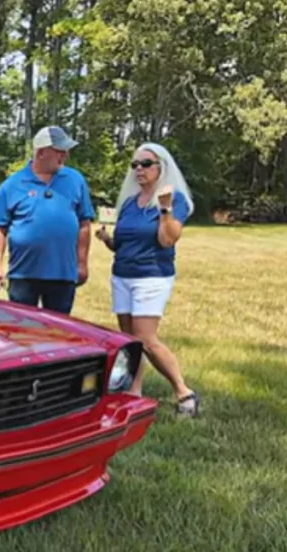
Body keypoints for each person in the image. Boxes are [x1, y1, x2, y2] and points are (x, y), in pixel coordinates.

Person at [95, 142, 200, 417]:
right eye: (135, 165)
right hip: (122, 275)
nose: (139, 170)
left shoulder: (173, 199)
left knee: (145, 338)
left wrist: (164, 209)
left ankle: (184, 392)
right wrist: (107, 239)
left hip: (151, 276)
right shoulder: (130, 203)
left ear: (161, 167)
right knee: (129, 341)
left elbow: (167, 240)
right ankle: (134, 391)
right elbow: (121, 244)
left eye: (145, 164)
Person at [0, 125, 95, 314]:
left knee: (58, 328)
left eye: (65, 151)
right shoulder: (12, 185)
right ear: (41, 152)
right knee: (22, 326)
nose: (65, 155)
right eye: (59, 151)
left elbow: (84, 224)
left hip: (62, 273)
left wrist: (82, 263)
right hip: (23, 273)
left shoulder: (75, 180)